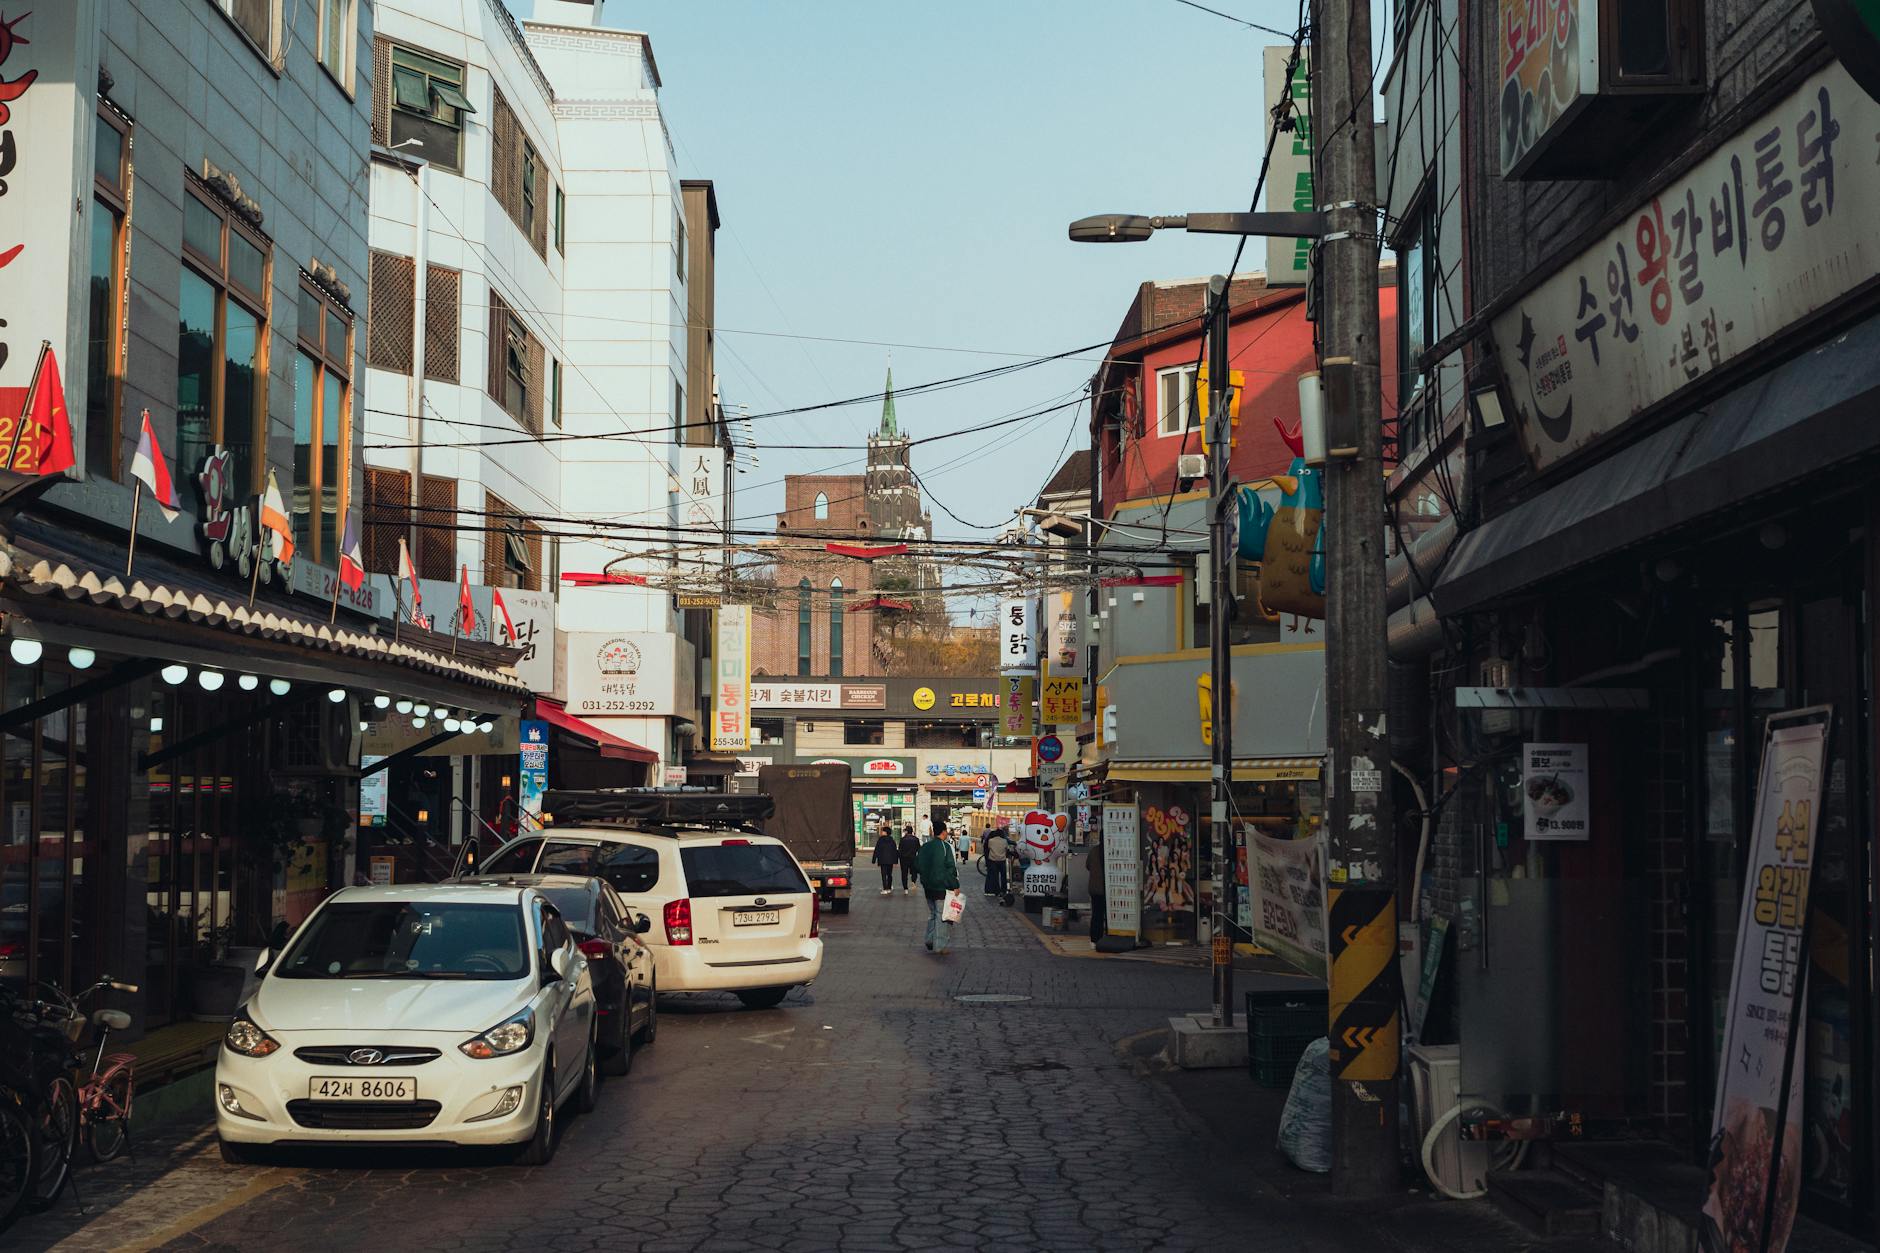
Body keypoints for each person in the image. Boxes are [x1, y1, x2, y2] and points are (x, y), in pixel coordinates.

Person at [915, 824, 961, 952]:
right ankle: (940, 946)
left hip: (928, 886)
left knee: (933, 913)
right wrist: (955, 885)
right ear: (943, 832)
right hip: (941, 886)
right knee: (942, 916)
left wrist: (925, 876)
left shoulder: (925, 846)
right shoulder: (945, 847)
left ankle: (929, 939)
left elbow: (916, 864)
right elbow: (950, 868)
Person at [1085, 839, 1107, 943]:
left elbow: (1088, 866)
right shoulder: (1109, 850)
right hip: (1106, 888)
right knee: (1107, 915)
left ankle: (1094, 938)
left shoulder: (1093, 850)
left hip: (1094, 888)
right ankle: (1106, 936)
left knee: (1096, 914)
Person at [871, 829, 901, 895]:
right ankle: (889, 888)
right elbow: (895, 851)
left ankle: (885, 889)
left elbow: (877, 850)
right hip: (890, 860)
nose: (881, 832)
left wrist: (874, 859)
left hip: (882, 860)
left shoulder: (880, 840)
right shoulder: (892, 840)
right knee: (889, 874)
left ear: (886, 832)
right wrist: (895, 861)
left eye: (883, 831)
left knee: (884, 874)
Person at [983, 826, 1009, 898]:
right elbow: (1007, 849)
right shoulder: (1004, 841)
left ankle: (996, 891)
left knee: (995, 876)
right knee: (1003, 876)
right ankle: (1004, 890)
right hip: (1002, 860)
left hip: (993, 860)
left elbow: (988, 848)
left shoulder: (991, 841)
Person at [898, 824, 921, 895]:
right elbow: (918, 849)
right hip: (913, 858)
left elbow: (900, 849)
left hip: (904, 859)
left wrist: (899, 857)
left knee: (904, 873)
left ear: (907, 832)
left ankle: (905, 888)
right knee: (914, 871)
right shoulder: (916, 839)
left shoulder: (902, 839)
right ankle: (913, 881)